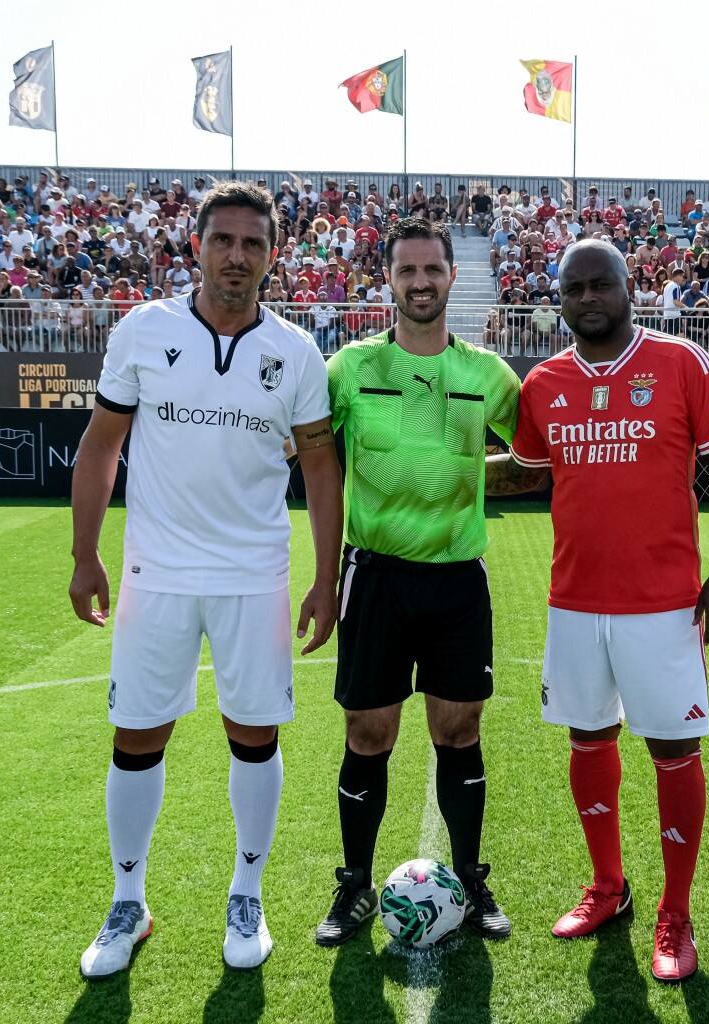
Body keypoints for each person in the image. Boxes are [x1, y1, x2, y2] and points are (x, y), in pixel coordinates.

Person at [69, 182, 344, 977]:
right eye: (222, 240)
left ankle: (246, 894)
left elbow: (321, 469)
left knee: (254, 734)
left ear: (273, 255)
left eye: (252, 244)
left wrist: (326, 577)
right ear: (196, 246)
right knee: (138, 735)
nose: (237, 256)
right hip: (156, 571)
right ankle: (129, 902)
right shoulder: (144, 331)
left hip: (254, 574)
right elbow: (100, 448)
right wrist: (86, 554)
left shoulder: (294, 352)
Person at [485, 239, 709, 984]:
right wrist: (432, 469)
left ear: (629, 289)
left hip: (663, 604)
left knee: (672, 751)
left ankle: (676, 912)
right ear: (559, 299)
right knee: (588, 736)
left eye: (603, 284)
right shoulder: (544, 383)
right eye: (575, 288)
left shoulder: (680, 363)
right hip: (574, 600)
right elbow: (524, 473)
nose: (589, 297)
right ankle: (608, 886)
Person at [314, 218, 519, 947]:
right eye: (408, 271)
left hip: (457, 578)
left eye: (433, 269)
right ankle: (355, 888)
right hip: (375, 578)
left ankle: (468, 878)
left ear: (451, 276)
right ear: (389, 279)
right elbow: (309, 457)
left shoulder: (488, 375)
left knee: (458, 729)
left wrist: (469, 476)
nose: (421, 282)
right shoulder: (346, 369)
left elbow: (533, 453)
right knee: (369, 731)